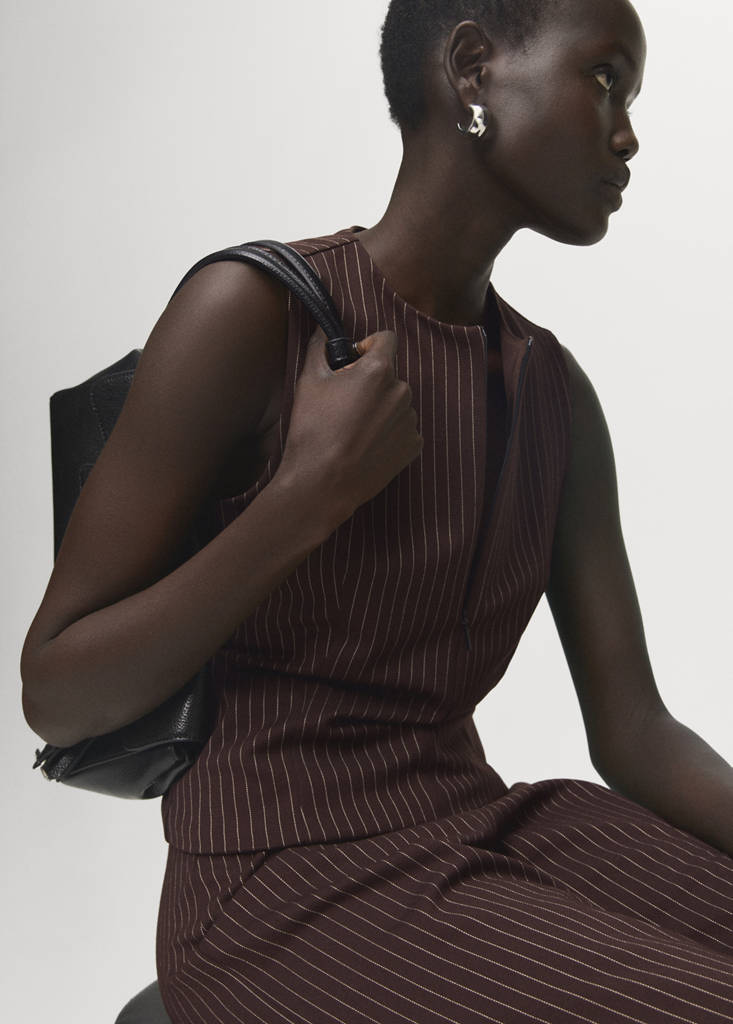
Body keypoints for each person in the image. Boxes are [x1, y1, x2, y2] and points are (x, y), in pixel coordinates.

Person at [21, 0, 733, 1021]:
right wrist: (301, 499)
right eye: (604, 79)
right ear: (474, 70)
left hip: (485, 824)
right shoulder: (251, 311)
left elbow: (636, 732)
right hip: (278, 885)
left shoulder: (550, 392)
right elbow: (57, 693)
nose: (626, 135)